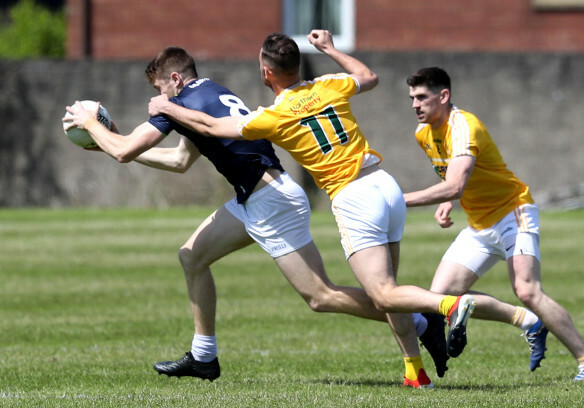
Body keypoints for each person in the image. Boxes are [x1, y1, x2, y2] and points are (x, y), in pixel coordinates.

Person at [61, 46, 450, 386]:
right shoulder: (210, 92)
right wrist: (108, 140)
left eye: (159, 89)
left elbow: (124, 151)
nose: (157, 98)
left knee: (321, 296)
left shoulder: (179, 103)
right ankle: (204, 356)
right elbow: (179, 160)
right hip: (256, 197)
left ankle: (418, 319)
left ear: (175, 79)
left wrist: (93, 125)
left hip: (271, 200)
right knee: (191, 255)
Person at [403, 66, 584, 381]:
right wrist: (446, 201)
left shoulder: (464, 127)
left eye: (421, 97)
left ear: (443, 96)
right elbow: (451, 175)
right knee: (440, 297)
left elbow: (456, 184)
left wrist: (400, 200)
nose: (415, 105)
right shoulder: (424, 133)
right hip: (478, 223)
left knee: (527, 289)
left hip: (512, 212)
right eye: (412, 98)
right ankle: (529, 322)